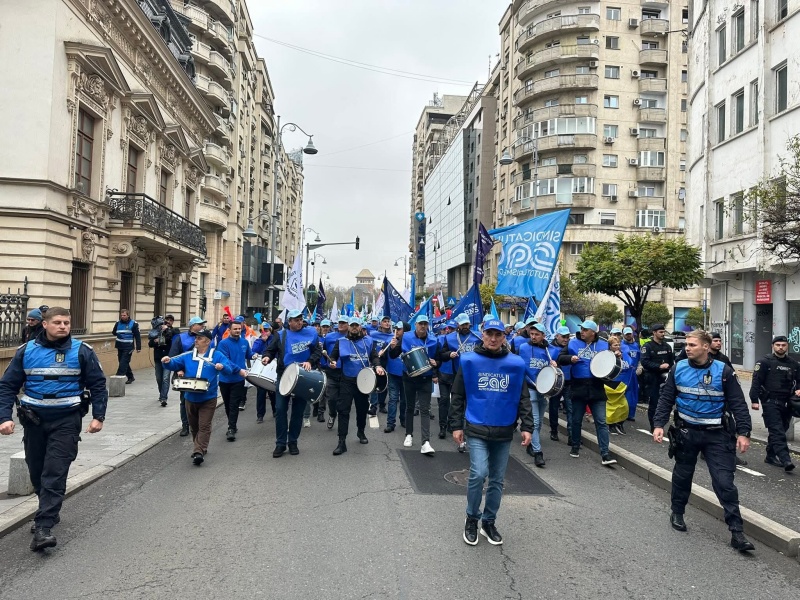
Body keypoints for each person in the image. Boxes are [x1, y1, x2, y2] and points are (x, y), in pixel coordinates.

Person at [0, 307, 107, 551]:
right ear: (45, 325)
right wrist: (4, 417)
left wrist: (98, 416)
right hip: (33, 420)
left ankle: (43, 527)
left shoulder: (82, 351)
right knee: (36, 470)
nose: (63, 326)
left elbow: (98, 385)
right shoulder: (26, 351)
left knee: (55, 471)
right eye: (58, 322)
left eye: (67, 323)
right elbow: (7, 387)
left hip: (66, 420)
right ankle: (47, 509)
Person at [652, 330, 755, 552]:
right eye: (686, 345)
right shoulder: (678, 368)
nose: (687, 348)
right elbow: (666, 398)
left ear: (706, 347)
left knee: (725, 483)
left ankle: (737, 532)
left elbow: (738, 403)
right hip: (687, 433)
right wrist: (658, 424)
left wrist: (744, 432)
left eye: (692, 344)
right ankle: (677, 513)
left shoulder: (724, 371)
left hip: (717, 435)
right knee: (682, 476)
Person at [448, 318, 533, 546]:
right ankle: (471, 518)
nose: (493, 339)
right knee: (478, 474)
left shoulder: (515, 364)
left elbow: (523, 396)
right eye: (489, 334)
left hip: (504, 430)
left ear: (504, 336)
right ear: (482, 335)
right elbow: (457, 396)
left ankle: (489, 521)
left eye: (498, 335)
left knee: (497, 480)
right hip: (476, 428)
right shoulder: (468, 361)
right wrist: (456, 425)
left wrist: (527, 426)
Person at [162, 329, 234, 466]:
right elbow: (174, 363)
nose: (196, 340)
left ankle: (198, 451)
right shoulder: (189, 355)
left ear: (207, 341)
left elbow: (229, 369)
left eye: (199, 338)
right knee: (194, 427)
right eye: (196, 338)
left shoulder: (216, 355)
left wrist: (222, 367)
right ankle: (200, 447)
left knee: (204, 425)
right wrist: (166, 362)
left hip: (208, 398)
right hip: (190, 397)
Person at [557, 320, 618, 465]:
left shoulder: (603, 344)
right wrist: (570, 359)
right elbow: (560, 358)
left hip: (597, 386)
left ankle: (605, 454)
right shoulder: (573, 343)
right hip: (578, 386)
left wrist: (617, 355)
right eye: (581, 329)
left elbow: (610, 360)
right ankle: (575, 447)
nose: (582, 332)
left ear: (593, 332)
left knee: (601, 422)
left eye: (585, 330)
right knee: (576, 420)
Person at [262, 309, 321, 457]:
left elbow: (317, 352)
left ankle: (293, 441)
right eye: (296, 320)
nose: (300, 322)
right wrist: (266, 357)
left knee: (298, 411)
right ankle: (280, 443)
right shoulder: (281, 335)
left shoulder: (311, 333)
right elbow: (270, 350)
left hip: (303, 377)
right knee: (281, 410)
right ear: (290, 322)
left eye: (301, 319)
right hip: (284, 375)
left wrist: (310, 361)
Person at [329, 317, 384, 455]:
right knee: (343, 410)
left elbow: (374, 357)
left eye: (356, 325)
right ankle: (341, 442)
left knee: (362, 409)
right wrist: (332, 362)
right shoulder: (341, 342)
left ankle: (361, 431)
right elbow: (333, 356)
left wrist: (377, 366)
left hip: (363, 382)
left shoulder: (369, 341)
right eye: (352, 325)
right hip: (346, 381)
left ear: (360, 327)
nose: (354, 327)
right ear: (348, 327)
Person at [388, 314, 439, 455]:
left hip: (425, 378)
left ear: (428, 325)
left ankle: (426, 442)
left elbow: (439, 358)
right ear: (416, 324)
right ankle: (408, 434)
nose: (423, 326)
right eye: (420, 324)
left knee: (425, 409)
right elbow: (393, 355)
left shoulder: (433, 340)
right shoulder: (406, 337)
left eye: (425, 324)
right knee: (409, 407)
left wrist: (437, 363)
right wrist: (392, 347)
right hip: (409, 377)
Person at [750, 335, 800, 472]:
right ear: (773, 346)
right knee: (778, 431)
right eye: (778, 345)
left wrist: (798, 390)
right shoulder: (764, 362)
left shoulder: (793, 364)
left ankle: (770, 455)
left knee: (781, 429)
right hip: (770, 402)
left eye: (783, 345)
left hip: (787, 403)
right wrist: (754, 400)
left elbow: (798, 381)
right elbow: (756, 382)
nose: (780, 347)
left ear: (787, 346)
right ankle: (786, 459)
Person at [437, 313, 481, 449]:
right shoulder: (449, 338)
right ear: (457, 325)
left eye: (467, 324)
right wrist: (449, 355)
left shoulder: (477, 337)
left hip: (474, 377)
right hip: (457, 376)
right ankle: (445, 427)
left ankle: (468, 434)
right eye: (462, 325)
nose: (465, 327)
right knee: (454, 404)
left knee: (470, 405)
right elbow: (441, 355)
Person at [518, 323, 556, 467]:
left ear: (543, 336)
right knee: (534, 421)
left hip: (544, 390)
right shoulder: (523, 348)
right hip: (530, 389)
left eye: (537, 334)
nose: (533, 337)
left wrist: (554, 365)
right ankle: (538, 453)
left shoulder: (550, 350)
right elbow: (520, 368)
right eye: (532, 334)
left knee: (539, 422)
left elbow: (551, 373)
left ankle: (531, 444)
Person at [169, 316, 207, 437]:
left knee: (200, 400)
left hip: (200, 373)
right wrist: (179, 369)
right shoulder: (181, 338)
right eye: (200, 324)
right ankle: (185, 425)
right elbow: (173, 356)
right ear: (193, 326)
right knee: (185, 400)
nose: (202, 326)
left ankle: (196, 424)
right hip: (184, 374)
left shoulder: (205, 338)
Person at [216, 319, 251, 441]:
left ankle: (231, 428)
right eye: (235, 329)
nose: (237, 331)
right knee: (227, 404)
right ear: (229, 330)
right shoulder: (223, 344)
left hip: (238, 379)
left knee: (234, 404)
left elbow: (249, 355)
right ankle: (232, 424)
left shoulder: (245, 342)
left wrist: (257, 355)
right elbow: (226, 361)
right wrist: (239, 369)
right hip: (225, 379)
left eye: (239, 329)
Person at [641, 323, 674, 432]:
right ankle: (653, 426)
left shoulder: (667, 346)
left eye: (663, 332)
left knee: (665, 402)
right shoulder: (648, 346)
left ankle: (661, 424)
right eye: (660, 332)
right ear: (654, 333)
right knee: (654, 403)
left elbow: (671, 361)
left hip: (665, 378)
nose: (663, 334)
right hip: (652, 378)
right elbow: (645, 362)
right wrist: (658, 366)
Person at [547, 326, 573, 445]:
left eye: (568, 337)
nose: (566, 339)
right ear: (557, 336)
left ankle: (572, 435)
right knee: (554, 407)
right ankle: (553, 431)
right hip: (556, 383)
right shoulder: (550, 348)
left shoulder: (571, 348)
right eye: (563, 337)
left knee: (570, 409)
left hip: (569, 382)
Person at [322, 316, 348, 427]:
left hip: (346, 373)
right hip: (332, 372)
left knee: (344, 401)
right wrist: (329, 363)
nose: (341, 325)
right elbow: (324, 351)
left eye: (343, 323)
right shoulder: (329, 337)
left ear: (348, 324)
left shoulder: (351, 337)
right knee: (331, 398)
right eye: (339, 323)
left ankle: (342, 423)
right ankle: (332, 414)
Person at [148, 315, 179, 407]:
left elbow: (170, 336)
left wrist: (166, 329)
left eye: (171, 320)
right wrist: (156, 341)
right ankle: (161, 394)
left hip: (168, 358)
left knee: (165, 378)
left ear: (173, 322)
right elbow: (150, 343)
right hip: (158, 357)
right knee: (159, 378)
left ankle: (163, 398)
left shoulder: (174, 331)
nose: (168, 321)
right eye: (167, 320)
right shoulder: (157, 330)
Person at [368, 315, 394, 416]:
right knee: (375, 382)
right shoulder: (373, 334)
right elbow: (370, 346)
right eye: (385, 321)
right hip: (376, 361)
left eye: (388, 321)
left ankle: (382, 404)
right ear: (381, 323)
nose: (387, 323)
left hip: (387, 361)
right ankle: (373, 406)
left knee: (384, 383)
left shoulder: (392, 336)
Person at [383, 321, 407, 433]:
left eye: (399, 329)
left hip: (406, 375)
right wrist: (390, 348)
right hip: (393, 375)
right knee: (392, 399)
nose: (396, 331)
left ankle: (403, 419)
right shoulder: (389, 341)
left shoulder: (409, 342)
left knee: (404, 400)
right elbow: (382, 356)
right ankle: (390, 423)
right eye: (395, 328)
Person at [252, 324, 276, 423]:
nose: (264, 332)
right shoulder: (258, 340)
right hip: (261, 369)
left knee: (273, 392)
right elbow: (254, 351)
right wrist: (262, 341)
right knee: (261, 393)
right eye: (263, 330)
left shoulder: (274, 339)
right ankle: (260, 415)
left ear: (270, 331)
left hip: (272, 368)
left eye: (266, 330)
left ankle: (275, 411)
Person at [113, 309, 141, 383]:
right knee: (122, 362)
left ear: (128, 315)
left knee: (123, 362)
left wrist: (138, 347)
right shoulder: (117, 323)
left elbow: (137, 336)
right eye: (121, 315)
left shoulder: (133, 324)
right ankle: (131, 377)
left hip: (128, 347)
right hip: (120, 346)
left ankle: (118, 379)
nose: (122, 317)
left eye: (124, 315)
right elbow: (114, 332)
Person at [621, 327, 641, 422]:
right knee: (623, 393)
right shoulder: (621, 345)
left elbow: (641, 358)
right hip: (624, 372)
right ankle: (622, 414)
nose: (628, 335)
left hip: (634, 373)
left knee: (633, 394)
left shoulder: (636, 345)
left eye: (630, 333)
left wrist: (640, 367)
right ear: (624, 335)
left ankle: (631, 414)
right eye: (626, 334)